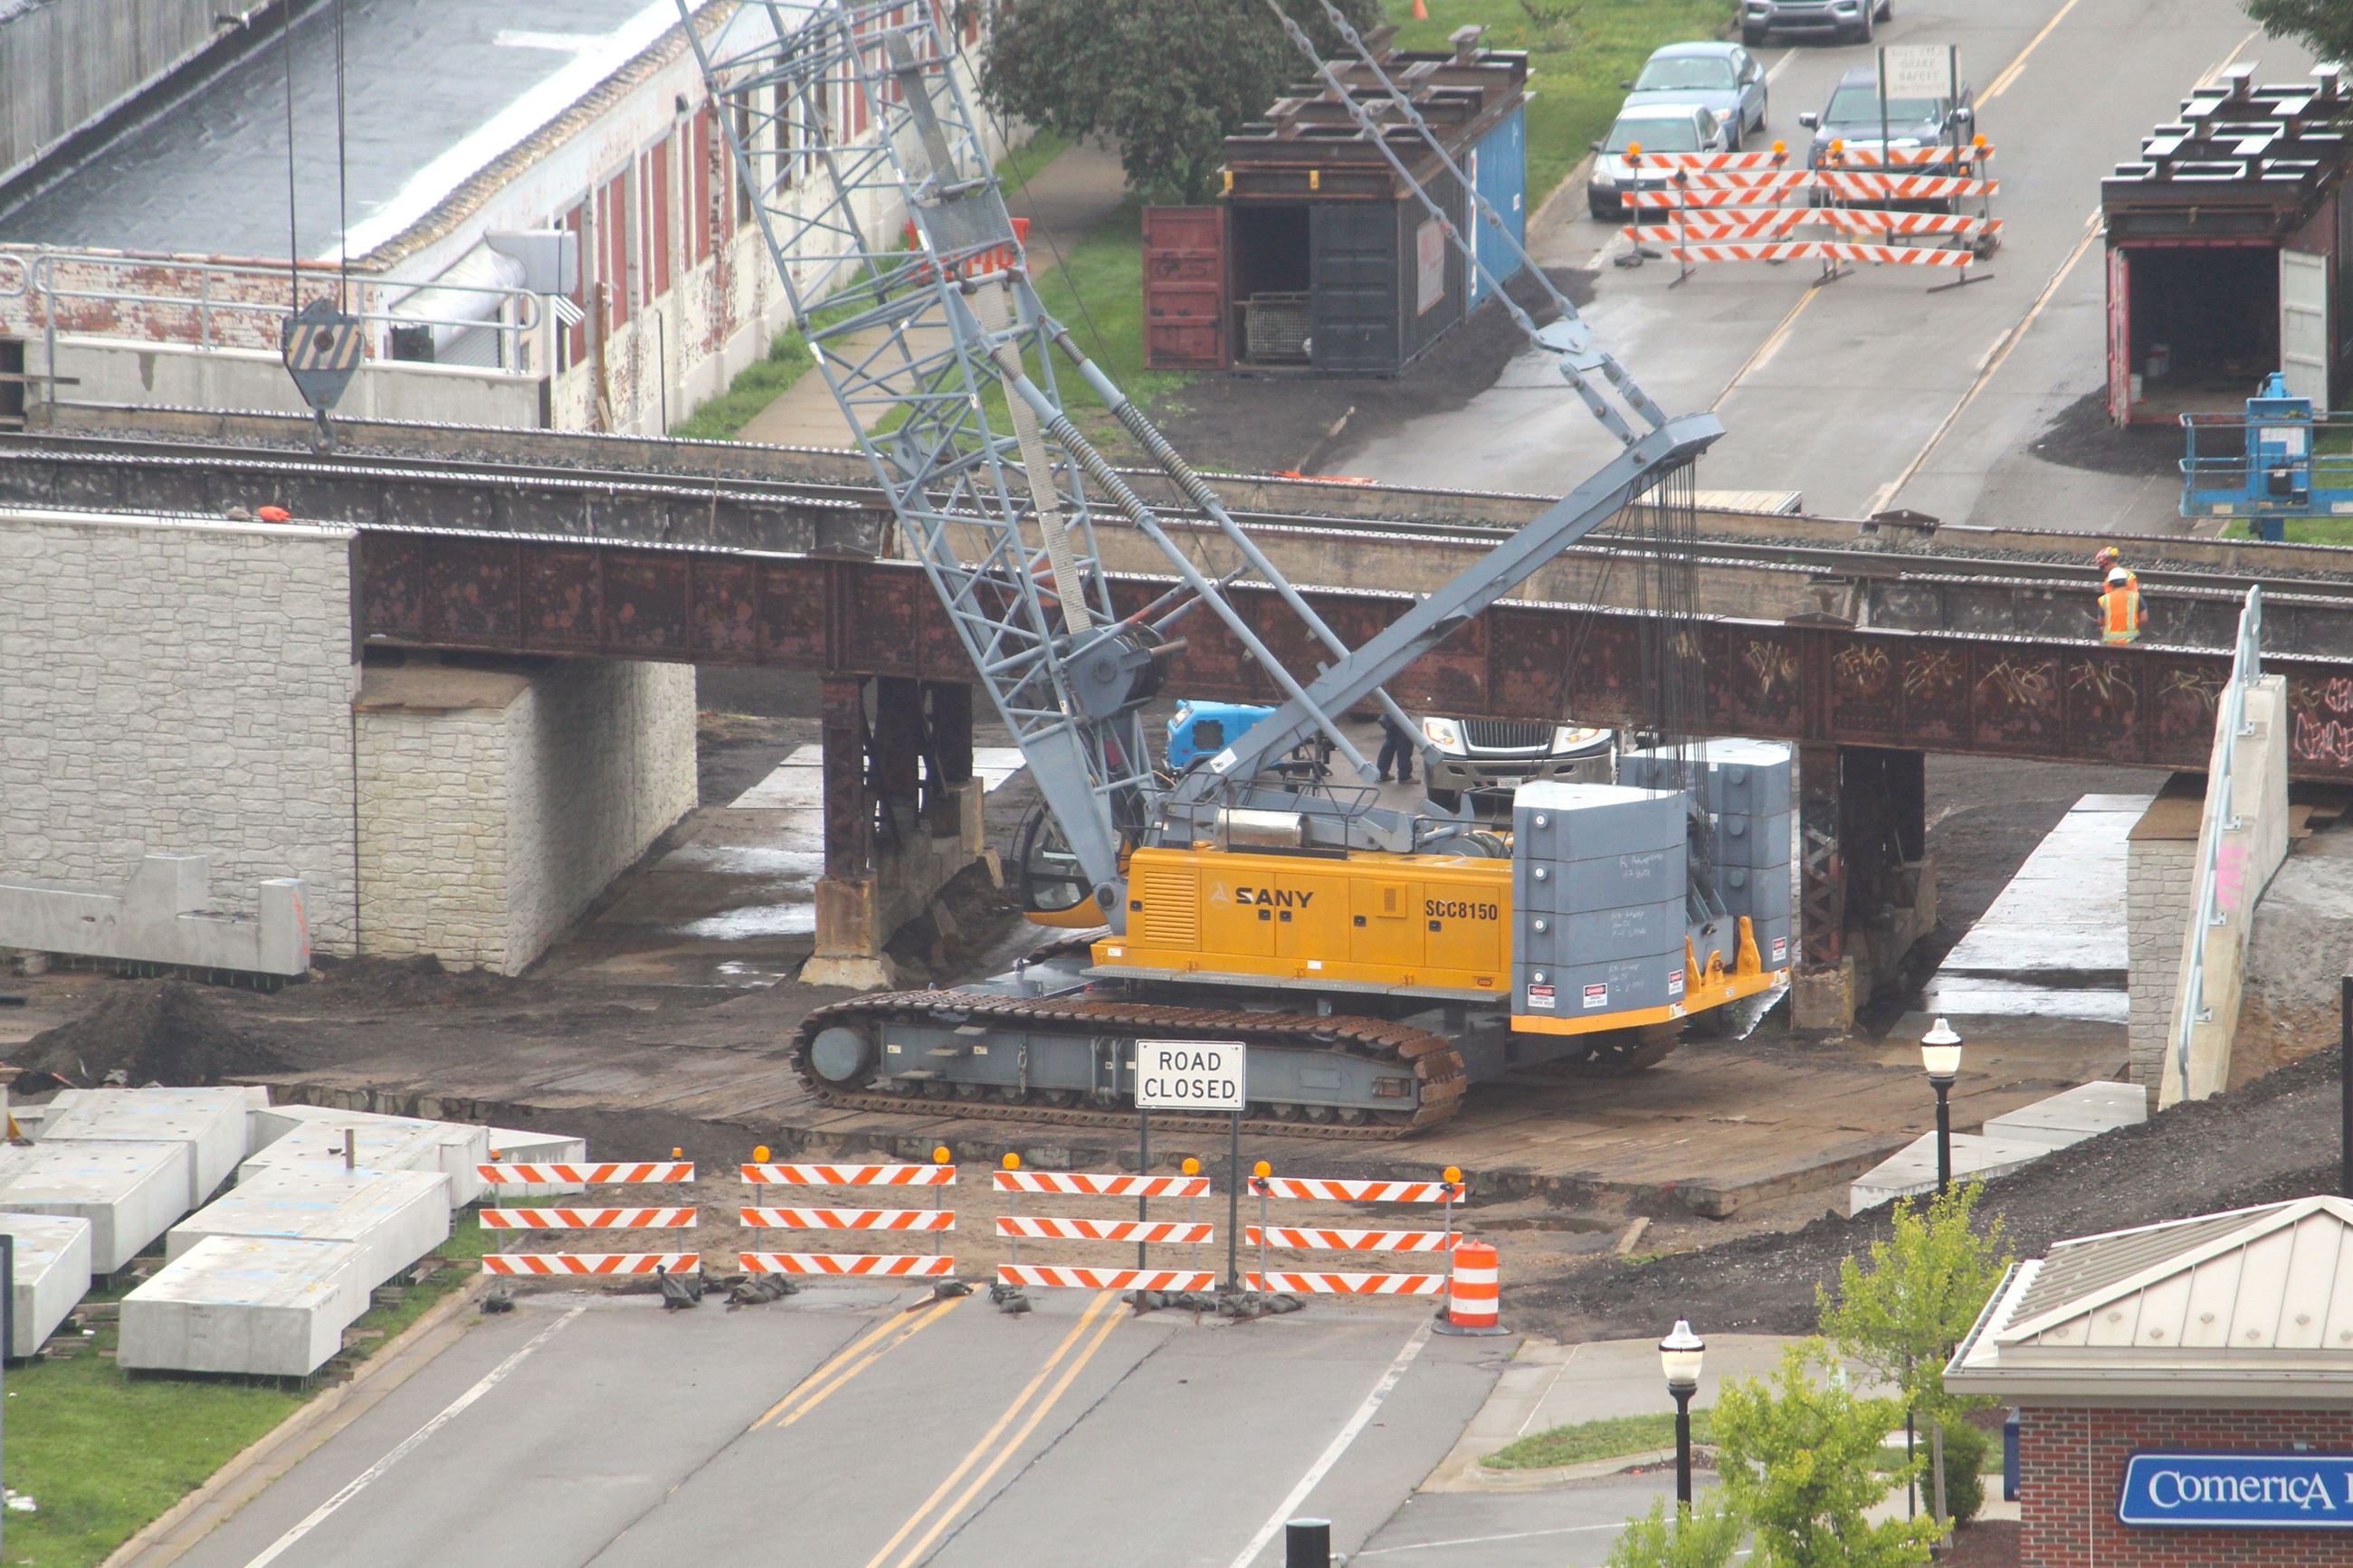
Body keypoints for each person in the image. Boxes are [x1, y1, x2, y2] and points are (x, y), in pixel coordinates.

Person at [2099, 566, 2147, 645]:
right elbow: (2144, 619)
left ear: (2110, 584)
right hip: (2131, 641)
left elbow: (2100, 621)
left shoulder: (2104, 599)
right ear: (2126, 582)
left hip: (2109, 642)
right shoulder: (2136, 597)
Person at [1377, 712, 1416, 784]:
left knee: (1390, 743)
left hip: (1389, 716)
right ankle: (1405, 776)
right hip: (1398, 715)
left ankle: (1381, 773)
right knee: (1404, 744)